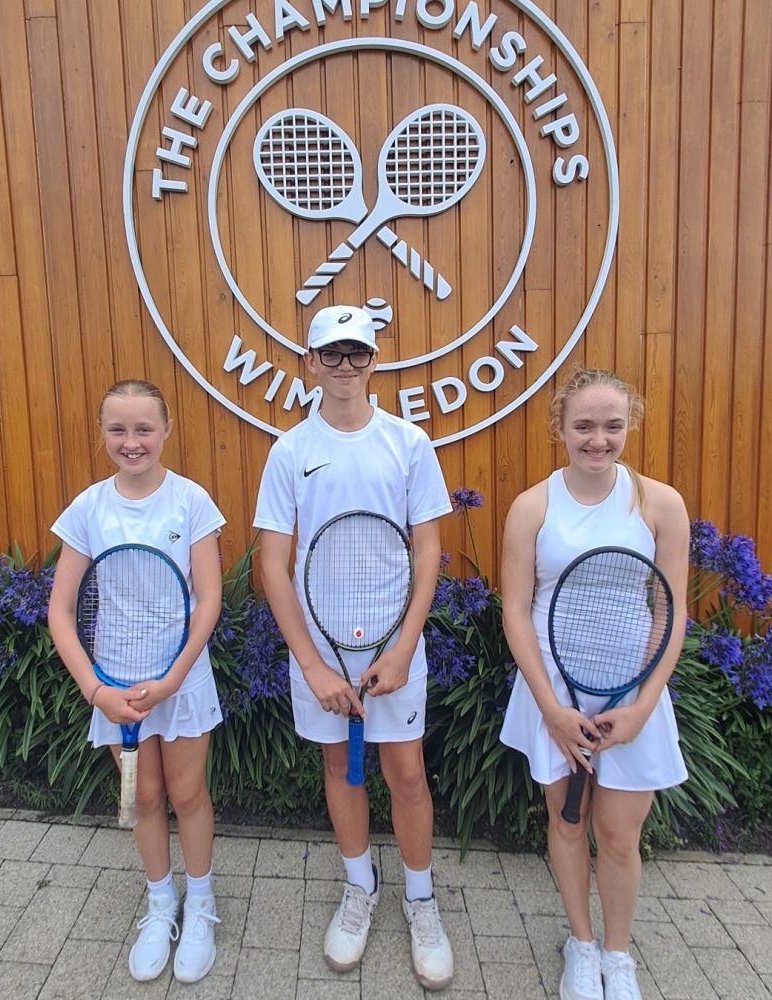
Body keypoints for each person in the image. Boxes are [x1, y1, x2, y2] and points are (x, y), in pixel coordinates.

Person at [253, 305, 454, 991]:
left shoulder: (409, 443)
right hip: (322, 656)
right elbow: (272, 565)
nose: (344, 365)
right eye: (331, 354)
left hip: (394, 650)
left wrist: (402, 649)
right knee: (341, 770)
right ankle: (359, 887)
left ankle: (421, 900)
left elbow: (428, 552)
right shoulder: (289, 451)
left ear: (375, 360)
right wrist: (311, 664)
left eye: (356, 353)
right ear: (309, 363)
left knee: (405, 776)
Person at [499, 369, 690, 1000]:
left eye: (612, 425)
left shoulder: (659, 504)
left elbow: (670, 613)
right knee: (568, 823)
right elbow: (517, 613)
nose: (599, 440)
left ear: (629, 424)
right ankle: (580, 944)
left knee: (618, 834)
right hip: (554, 693)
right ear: (560, 427)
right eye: (584, 426)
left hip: (634, 697)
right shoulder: (532, 506)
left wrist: (642, 706)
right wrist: (551, 708)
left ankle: (617, 955)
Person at [47, 380, 225, 985]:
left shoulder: (192, 501)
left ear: (166, 430)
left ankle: (200, 906)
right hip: (116, 686)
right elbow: (60, 612)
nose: (132, 442)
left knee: (187, 793)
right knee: (142, 798)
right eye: (118, 430)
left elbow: (208, 600)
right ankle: (160, 906)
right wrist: (97, 691)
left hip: (182, 679)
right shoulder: (88, 508)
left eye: (144, 429)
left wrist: (175, 677)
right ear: (102, 435)